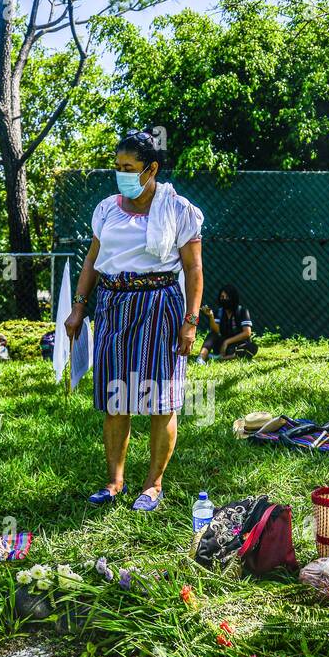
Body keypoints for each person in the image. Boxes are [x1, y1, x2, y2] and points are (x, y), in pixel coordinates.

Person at [63, 128, 205, 511]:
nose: (121, 173)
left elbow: (193, 270)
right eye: (117, 166)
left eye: (129, 167)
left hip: (160, 306)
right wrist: (79, 305)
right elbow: (92, 260)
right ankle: (114, 481)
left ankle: (152, 485)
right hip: (112, 305)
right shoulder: (107, 208)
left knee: (161, 400)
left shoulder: (179, 210)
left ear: (151, 168)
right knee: (116, 399)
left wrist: (190, 321)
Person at [197, 287, 258, 362]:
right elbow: (216, 331)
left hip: (237, 344)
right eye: (222, 297)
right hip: (221, 346)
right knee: (212, 335)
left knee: (252, 347)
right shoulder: (219, 312)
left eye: (227, 297)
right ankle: (201, 357)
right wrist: (211, 316)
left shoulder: (242, 311)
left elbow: (247, 333)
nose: (224, 299)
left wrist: (226, 342)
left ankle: (220, 358)